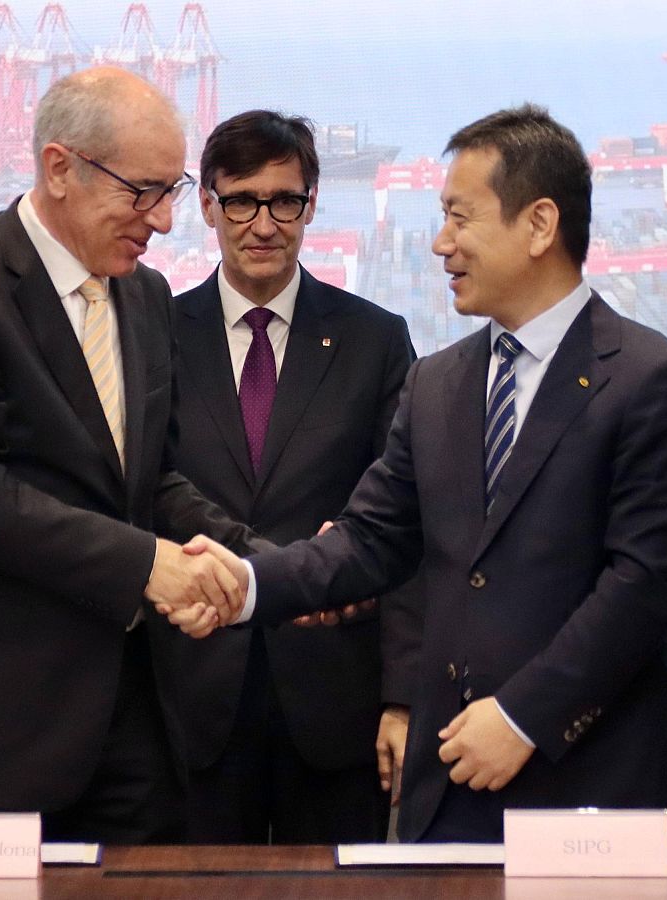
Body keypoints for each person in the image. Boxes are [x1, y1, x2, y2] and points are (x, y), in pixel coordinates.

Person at [187, 103, 667, 843]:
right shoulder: (438, 381)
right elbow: (370, 540)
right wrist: (245, 584)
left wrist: (524, 716)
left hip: (590, 787)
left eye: (459, 218)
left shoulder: (654, 381)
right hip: (450, 786)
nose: (440, 243)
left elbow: (643, 586)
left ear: (539, 224)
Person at [0, 67, 263, 844]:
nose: (165, 220)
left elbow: (148, 481)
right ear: (59, 168)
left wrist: (266, 564)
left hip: (130, 726)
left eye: (173, 191)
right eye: (143, 191)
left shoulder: (144, 297)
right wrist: (147, 565)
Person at [152, 109, 422, 844]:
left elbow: (410, 526)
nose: (264, 224)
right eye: (242, 201)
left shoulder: (376, 340)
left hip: (337, 703)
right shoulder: (155, 336)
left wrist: (402, 696)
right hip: (190, 700)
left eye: (284, 201)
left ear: (311, 204)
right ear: (207, 205)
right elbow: (142, 490)